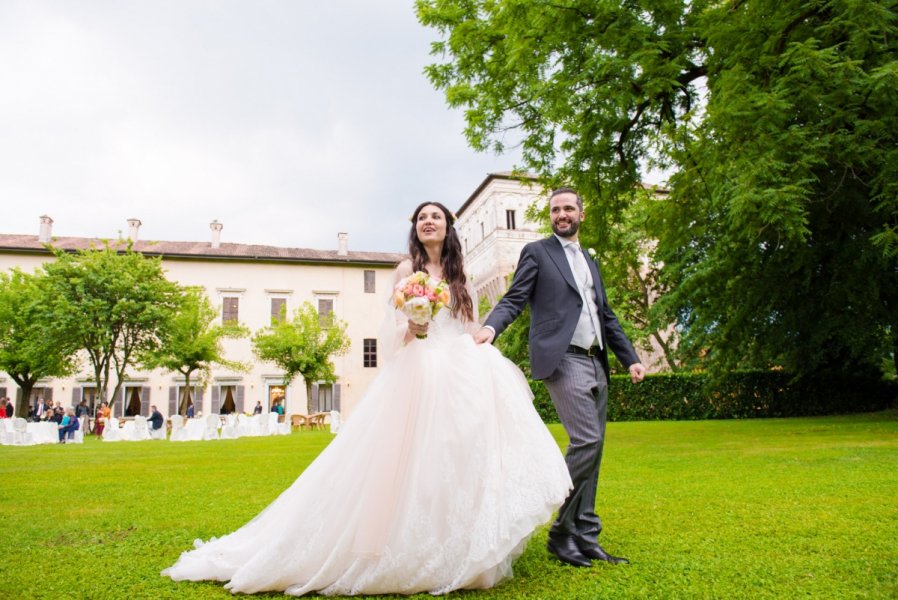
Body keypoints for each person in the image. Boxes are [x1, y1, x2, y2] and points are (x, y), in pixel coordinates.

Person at [163, 202, 571, 595]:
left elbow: (469, 325)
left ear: (449, 227)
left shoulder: (459, 274)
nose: (429, 222)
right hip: (418, 369)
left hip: (458, 369)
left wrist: (478, 346)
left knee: (455, 455)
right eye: (422, 218)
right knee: (407, 458)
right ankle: (397, 545)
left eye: (437, 217)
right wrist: (413, 325)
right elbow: (392, 333)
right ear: (415, 229)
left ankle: (455, 543)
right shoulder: (405, 269)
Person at [475, 187, 646, 568]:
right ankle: (559, 532)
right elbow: (514, 297)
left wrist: (629, 358)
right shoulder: (538, 253)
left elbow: (607, 315)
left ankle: (585, 534)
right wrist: (491, 329)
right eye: (555, 209)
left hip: (596, 359)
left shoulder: (589, 260)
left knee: (594, 449)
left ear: (582, 214)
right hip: (563, 358)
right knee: (586, 440)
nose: (562, 214)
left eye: (569, 208)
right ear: (551, 216)